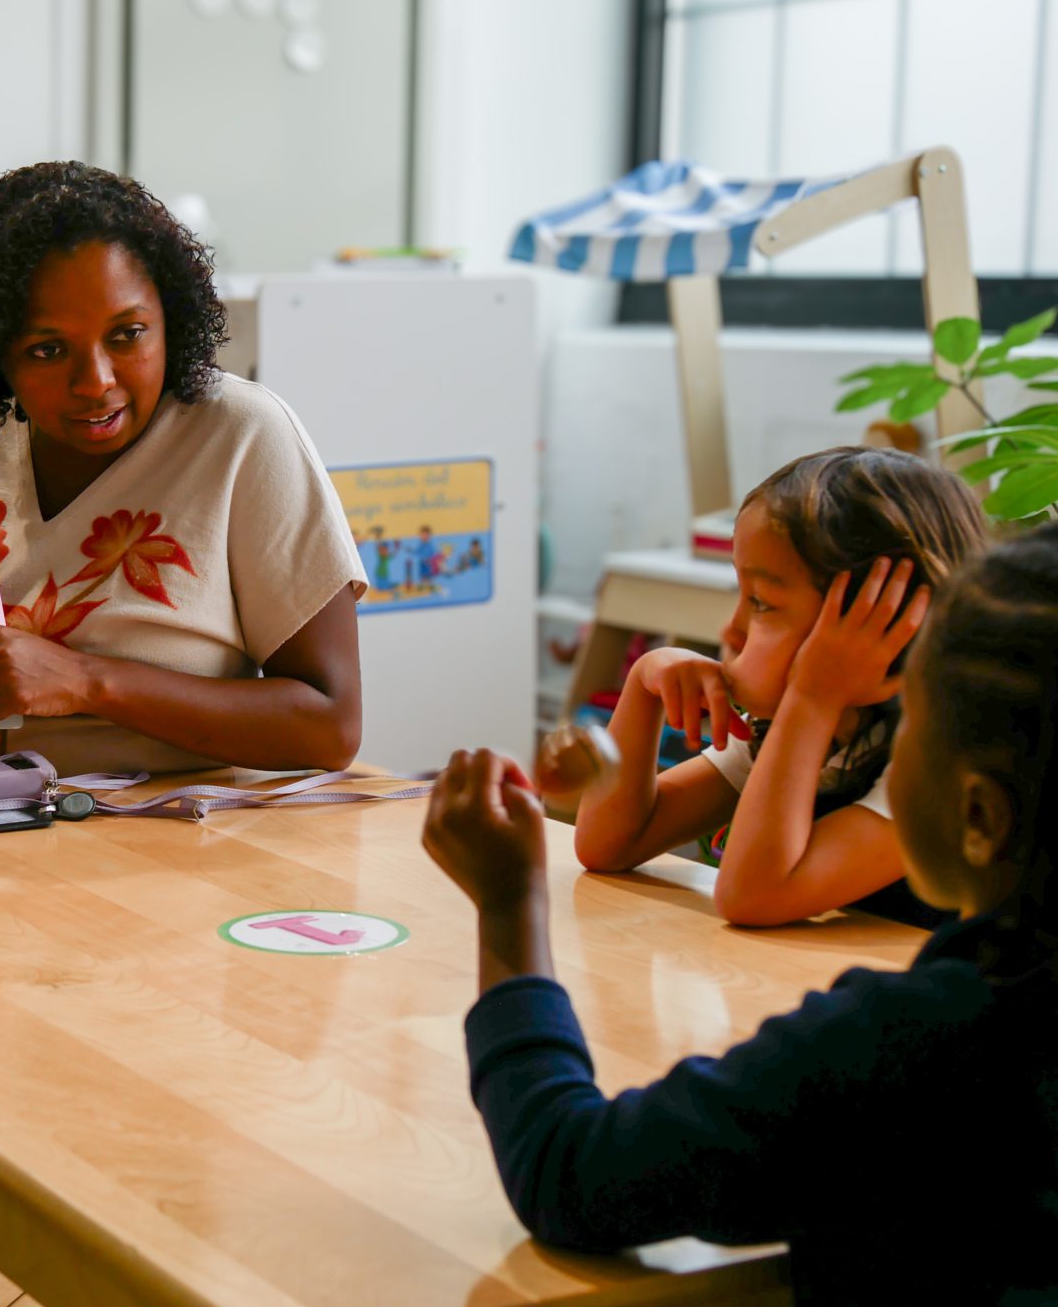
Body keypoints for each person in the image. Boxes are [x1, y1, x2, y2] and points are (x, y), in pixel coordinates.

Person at [421, 523, 1058, 1304]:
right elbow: (609, 839)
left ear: (981, 816)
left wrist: (511, 904)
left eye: (918, 719)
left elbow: (569, 1175)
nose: (729, 629)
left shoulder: (917, 1048)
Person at [0, 160, 365, 791]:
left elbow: (330, 726)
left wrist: (86, 681)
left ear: (172, 318)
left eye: (128, 334)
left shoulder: (243, 437)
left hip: (172, 852)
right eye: (47, 349)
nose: (96, 381)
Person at [574, 446, 987, 926]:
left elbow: (752, 897)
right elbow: (607, 844)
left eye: (762, 603)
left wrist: (814, 696)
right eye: (741, 595)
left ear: (882, 623)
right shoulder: (794, 730)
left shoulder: (940, 764)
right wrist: (645, 684)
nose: (729, 632)